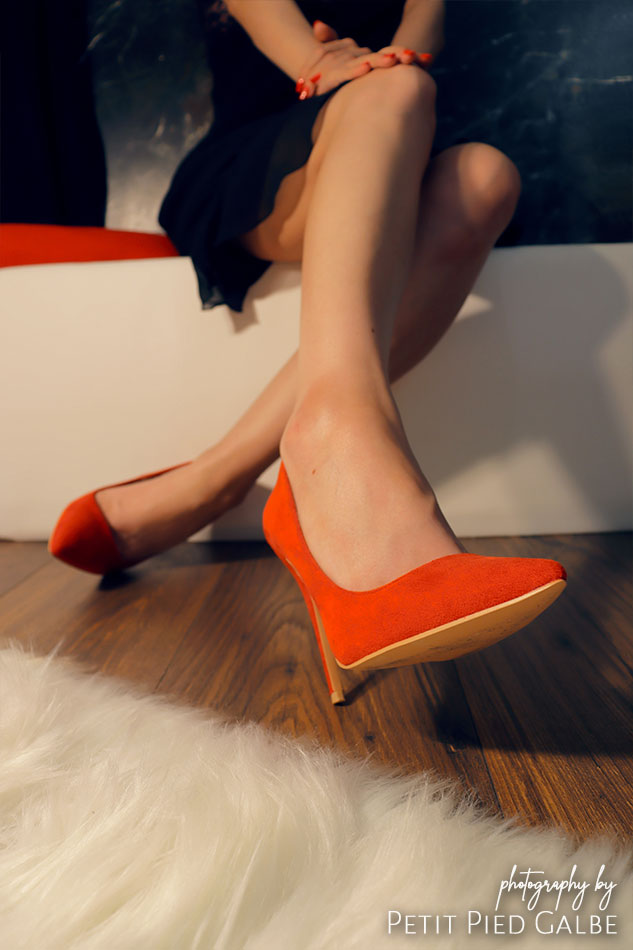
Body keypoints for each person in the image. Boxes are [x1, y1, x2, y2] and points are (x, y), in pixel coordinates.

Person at [49, 0, 567, 703]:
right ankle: (325, 450)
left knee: (484, 176)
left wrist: (384, 62)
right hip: (257, 163)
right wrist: (321, 62)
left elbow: (422, 36)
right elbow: (280, 31)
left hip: (383, 142)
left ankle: (228, 474)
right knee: (394, 90)